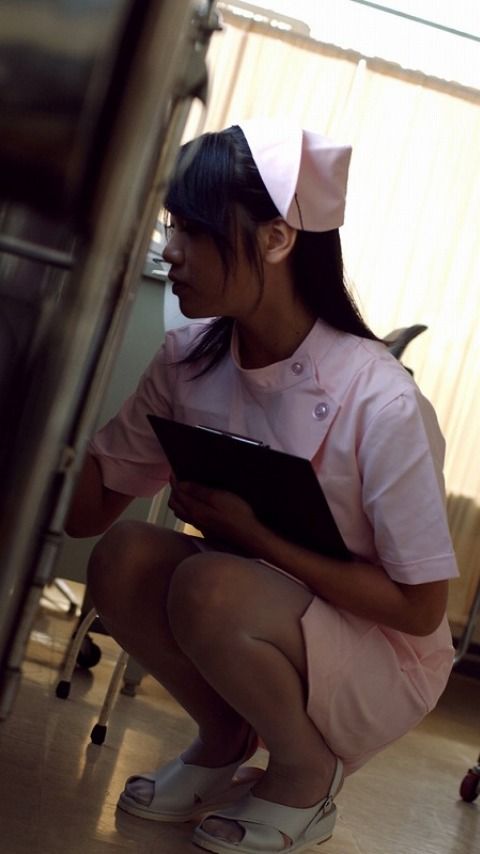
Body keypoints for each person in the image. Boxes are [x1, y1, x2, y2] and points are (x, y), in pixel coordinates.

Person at [66, 118, 458, 854]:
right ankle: (222, 741)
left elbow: (419, 609)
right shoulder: (188, 360)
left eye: (192, 229)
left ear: (277, 240)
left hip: (381, 652)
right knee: (123, 556)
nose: (170, 250)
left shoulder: (381, 402)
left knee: (209, 583)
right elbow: (88, 512)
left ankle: (306, 774)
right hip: (256, 608)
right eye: (170, 225)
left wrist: (253, 535)